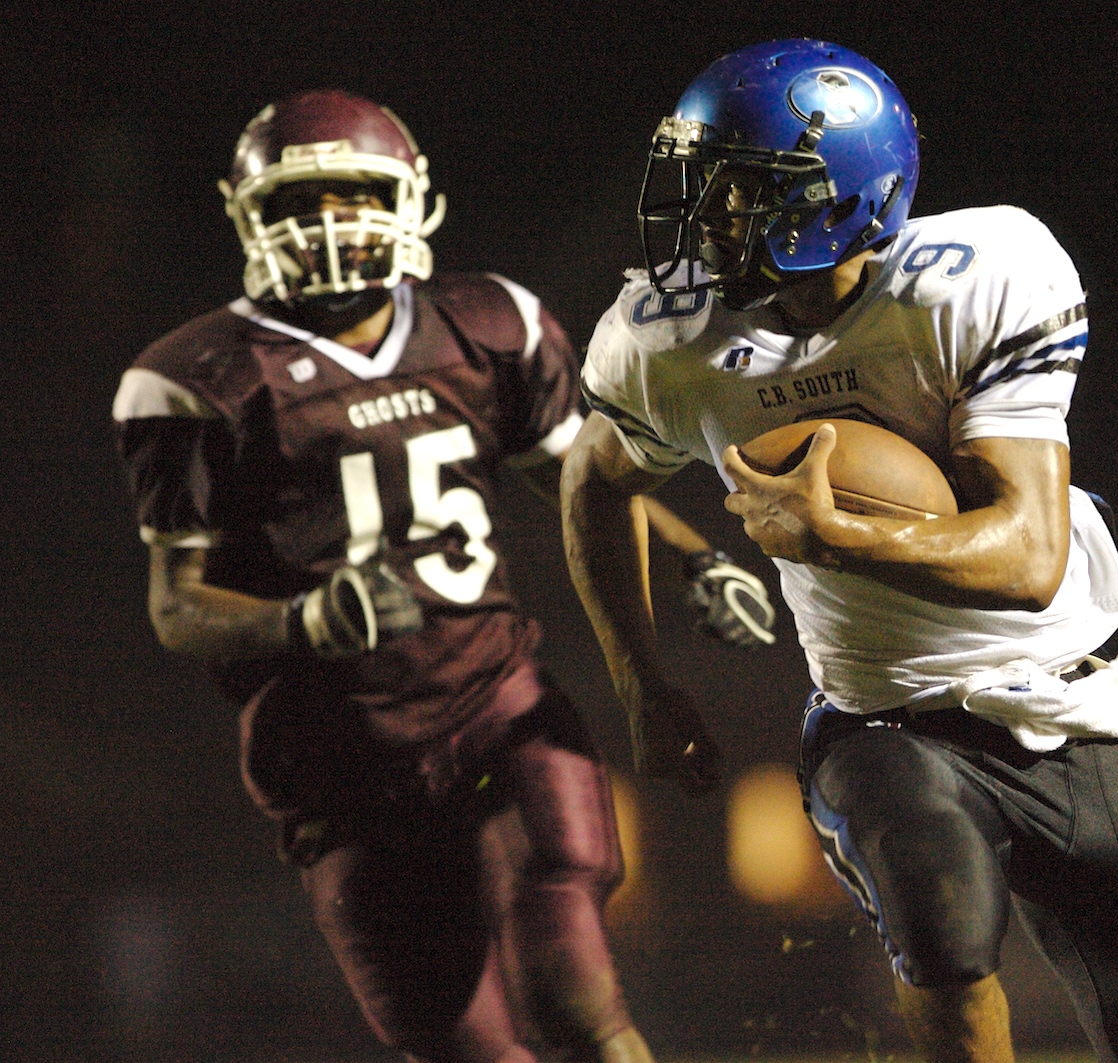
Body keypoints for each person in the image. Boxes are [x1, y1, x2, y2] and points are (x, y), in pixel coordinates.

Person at [560, 39, 1118, 1063]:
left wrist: (834, 535)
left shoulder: (979, 279)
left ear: (846, 200)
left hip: (1062, 694)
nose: (708, 220)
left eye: (745, 194)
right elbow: (591, 481)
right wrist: (637, 680)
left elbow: (1028, 557)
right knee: (946, 935)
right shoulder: (670, 342)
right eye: (702, 187)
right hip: (877, 714)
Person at [111, 88, 775, 1063]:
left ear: (413, 197)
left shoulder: (487, 322)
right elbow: (176, 606)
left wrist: (692, 559)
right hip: (337, 757)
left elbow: (578, 481)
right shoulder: (193, 377)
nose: (331, 222)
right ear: (249, 216)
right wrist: (302, 623)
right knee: (469, 1049)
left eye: (352, 194)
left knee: (574, 961)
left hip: (492, 694)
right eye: (301, 202)